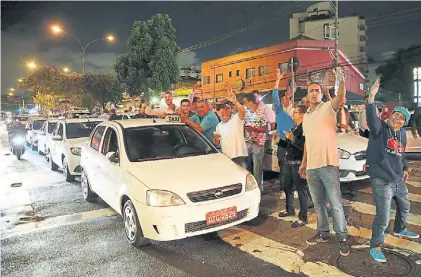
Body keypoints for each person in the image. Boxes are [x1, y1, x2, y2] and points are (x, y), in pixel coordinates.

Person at [365, 78, 419, 263]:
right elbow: (372, 119)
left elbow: (401, 153)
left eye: (402, 118)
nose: (398, 119)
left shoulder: (401, 133)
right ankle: (375, 245)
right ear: (390, 115)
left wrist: (404, 168)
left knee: (405, 206)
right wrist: (371, 97)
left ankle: (400, 228)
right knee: (384, 215)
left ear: (404, 122)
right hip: (381, 178)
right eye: (396, 115)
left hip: (397, 178)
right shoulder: (380, 129)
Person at [298, 68, 350, 257]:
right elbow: (307, 142)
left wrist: (341, 81)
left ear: (321, 94)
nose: (314, 93)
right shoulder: (306, 116)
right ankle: (323, 232)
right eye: (311, 90)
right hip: (312, 167)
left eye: (317, 90)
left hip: (328, 164)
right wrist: (304, 163)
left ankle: (343, 237)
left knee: (335, 203)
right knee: (318, 203)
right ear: (307, 95)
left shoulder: (328, 107)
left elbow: (340, 98)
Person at [277, 104, 310, 228]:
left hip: (298, 162)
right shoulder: (295, 127)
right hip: (289, 161)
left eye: (295, 112)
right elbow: (289, 144)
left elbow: (304, 146)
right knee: (287, 186)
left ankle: (303, 217)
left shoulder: (305, 127)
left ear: (302, 115)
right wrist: (279, 140)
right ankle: (289, 209)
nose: (293, 114)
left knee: (301, 190)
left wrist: (293, 139)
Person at [213, 88, 248, 168]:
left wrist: (235, 101)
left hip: (239, 156)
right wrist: (215, 139)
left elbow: (243, 112)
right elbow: (216, 144)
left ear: (228, 110)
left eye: (222, 115)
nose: (221, 117)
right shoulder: (219, 125)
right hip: (227, 157)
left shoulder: (236, 119)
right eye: (219, 116)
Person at [271, 70, 295, 191]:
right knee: (283, 166)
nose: (285, 99)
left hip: (294, 143)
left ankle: (292, 187)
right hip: (282, 143)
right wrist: (278, 80)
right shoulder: (280, 112)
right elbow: (274, 95)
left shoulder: (295, 112)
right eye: (283, 98)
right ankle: (283, 188)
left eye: (287, 97)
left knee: (294, 166)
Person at [243, 93, 268, 192]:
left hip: (258, 144)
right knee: (246, 167)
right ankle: (248, 188)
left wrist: (253, 128)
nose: (245, 104)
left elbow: (265, 129)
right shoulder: (246, 114)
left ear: (251, 102)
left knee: (257, 168)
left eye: (246, 102)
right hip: (248, 142)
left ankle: (258, 189)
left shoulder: (261, 113)